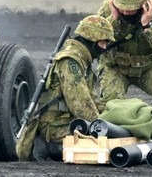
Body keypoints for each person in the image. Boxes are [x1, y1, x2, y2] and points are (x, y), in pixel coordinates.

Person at [17, 14, 115, 161]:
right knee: (101, 145)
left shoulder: (82, 60)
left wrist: (113, 111)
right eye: (103, 42)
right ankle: (47, 147)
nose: (105, 47)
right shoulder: (71, 61)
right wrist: (101, 127)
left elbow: (90, 100)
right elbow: (80, 104)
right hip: (54, 126)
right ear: (92, 39)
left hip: (66, 120)